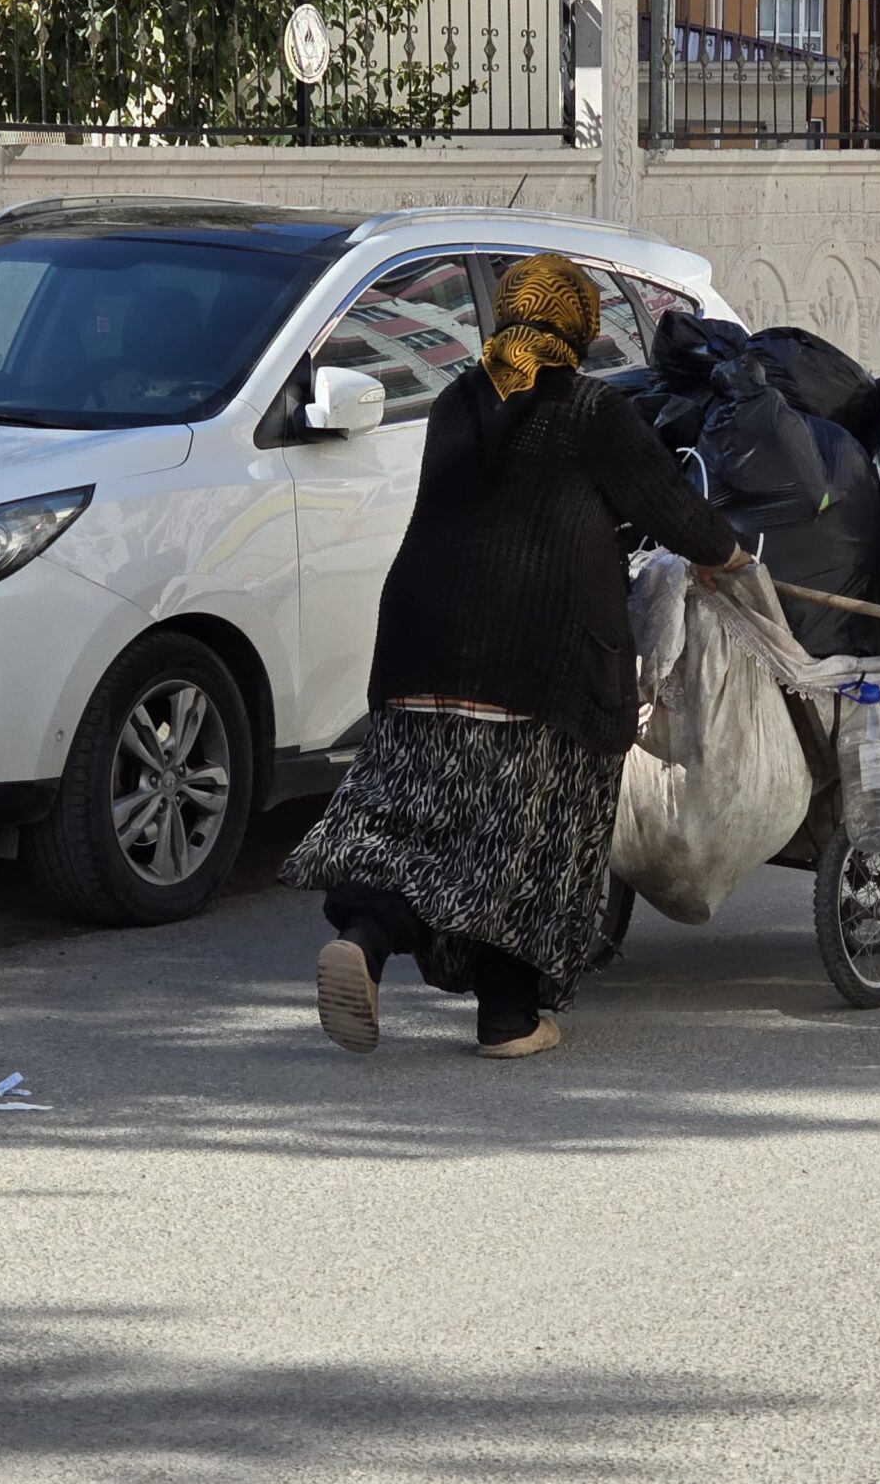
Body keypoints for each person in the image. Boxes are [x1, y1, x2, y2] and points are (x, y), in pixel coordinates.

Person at [283, 254, 747, 1058]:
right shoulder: (590, 409)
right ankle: (508, 1017)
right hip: (541, 659)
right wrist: (731, 559)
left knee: (416, 818)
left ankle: (362, 937)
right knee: (529, 835)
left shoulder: (456, 401)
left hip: (422, 645)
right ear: (578, 326)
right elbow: (674, 510)